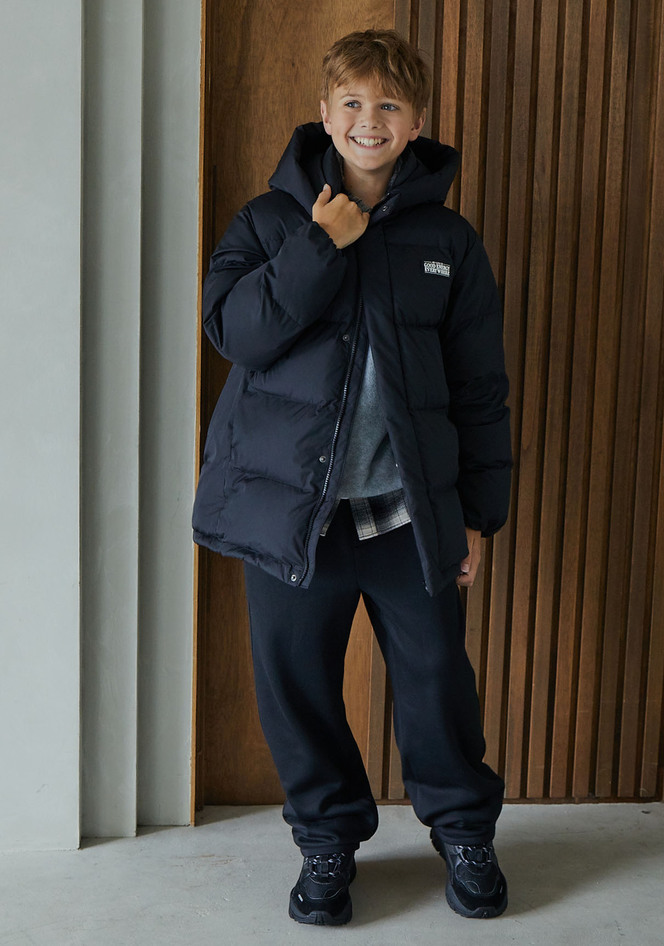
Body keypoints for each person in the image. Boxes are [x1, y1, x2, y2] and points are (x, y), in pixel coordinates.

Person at [193, 29, 512, 926]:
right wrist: (319, 244)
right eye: (354, 103)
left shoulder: (448, 239)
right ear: (326, 114)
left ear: (416, 122)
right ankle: (326, 843)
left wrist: (478, 515)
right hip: (293, 517)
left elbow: (480, 387)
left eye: (390, 105)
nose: (371, 120)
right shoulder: (269, 223)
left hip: (407, 515)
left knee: (438, 683)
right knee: (296, 689)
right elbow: (235, 334)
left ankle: (464, 833)